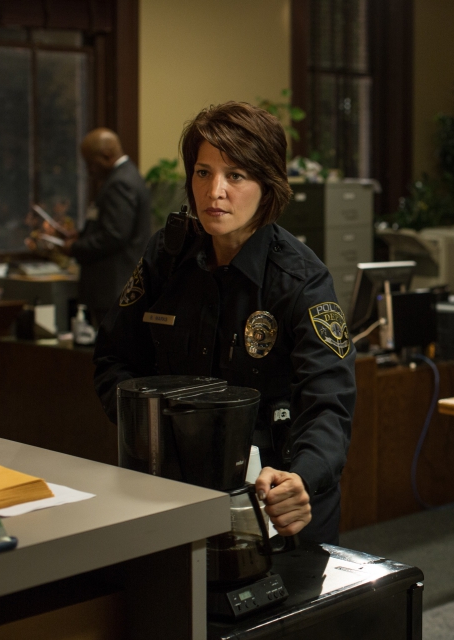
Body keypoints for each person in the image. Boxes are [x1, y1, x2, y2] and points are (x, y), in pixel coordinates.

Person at [92, 102, 356, 545]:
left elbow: (328, 404)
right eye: (203, 172)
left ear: (267, 185)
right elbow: (112, 359)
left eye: (235, 175)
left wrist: (302, 477)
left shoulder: (300, 280)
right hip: (173, 493)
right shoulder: (166, 257)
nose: (215, 191)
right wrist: (151, 434)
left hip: (276, 502)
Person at [63, 128, 151, 327]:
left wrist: (75, 247)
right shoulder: (127, 176)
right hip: (118, 286)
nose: (90, 170)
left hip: (114, 286)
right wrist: (82, 234)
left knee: (113, 344)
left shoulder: (120, 183)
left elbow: (114, 235)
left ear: (107, 155)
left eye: (91, 163)